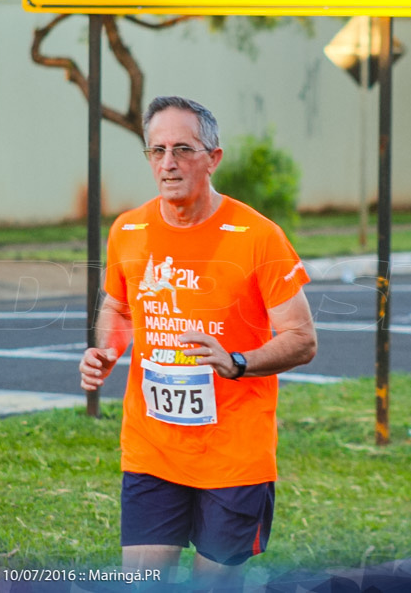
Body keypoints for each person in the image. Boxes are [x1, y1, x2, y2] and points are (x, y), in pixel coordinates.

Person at [79, 96, 318, 587]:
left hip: (234, 454)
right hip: (152, 448)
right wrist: (107, 351)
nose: (168, 163)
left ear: (213, 158)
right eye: (157, 150)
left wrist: (236, 361)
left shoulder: (257, 237)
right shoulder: (129, 230)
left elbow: (302, 338)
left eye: (183, 149)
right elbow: (117, 307)